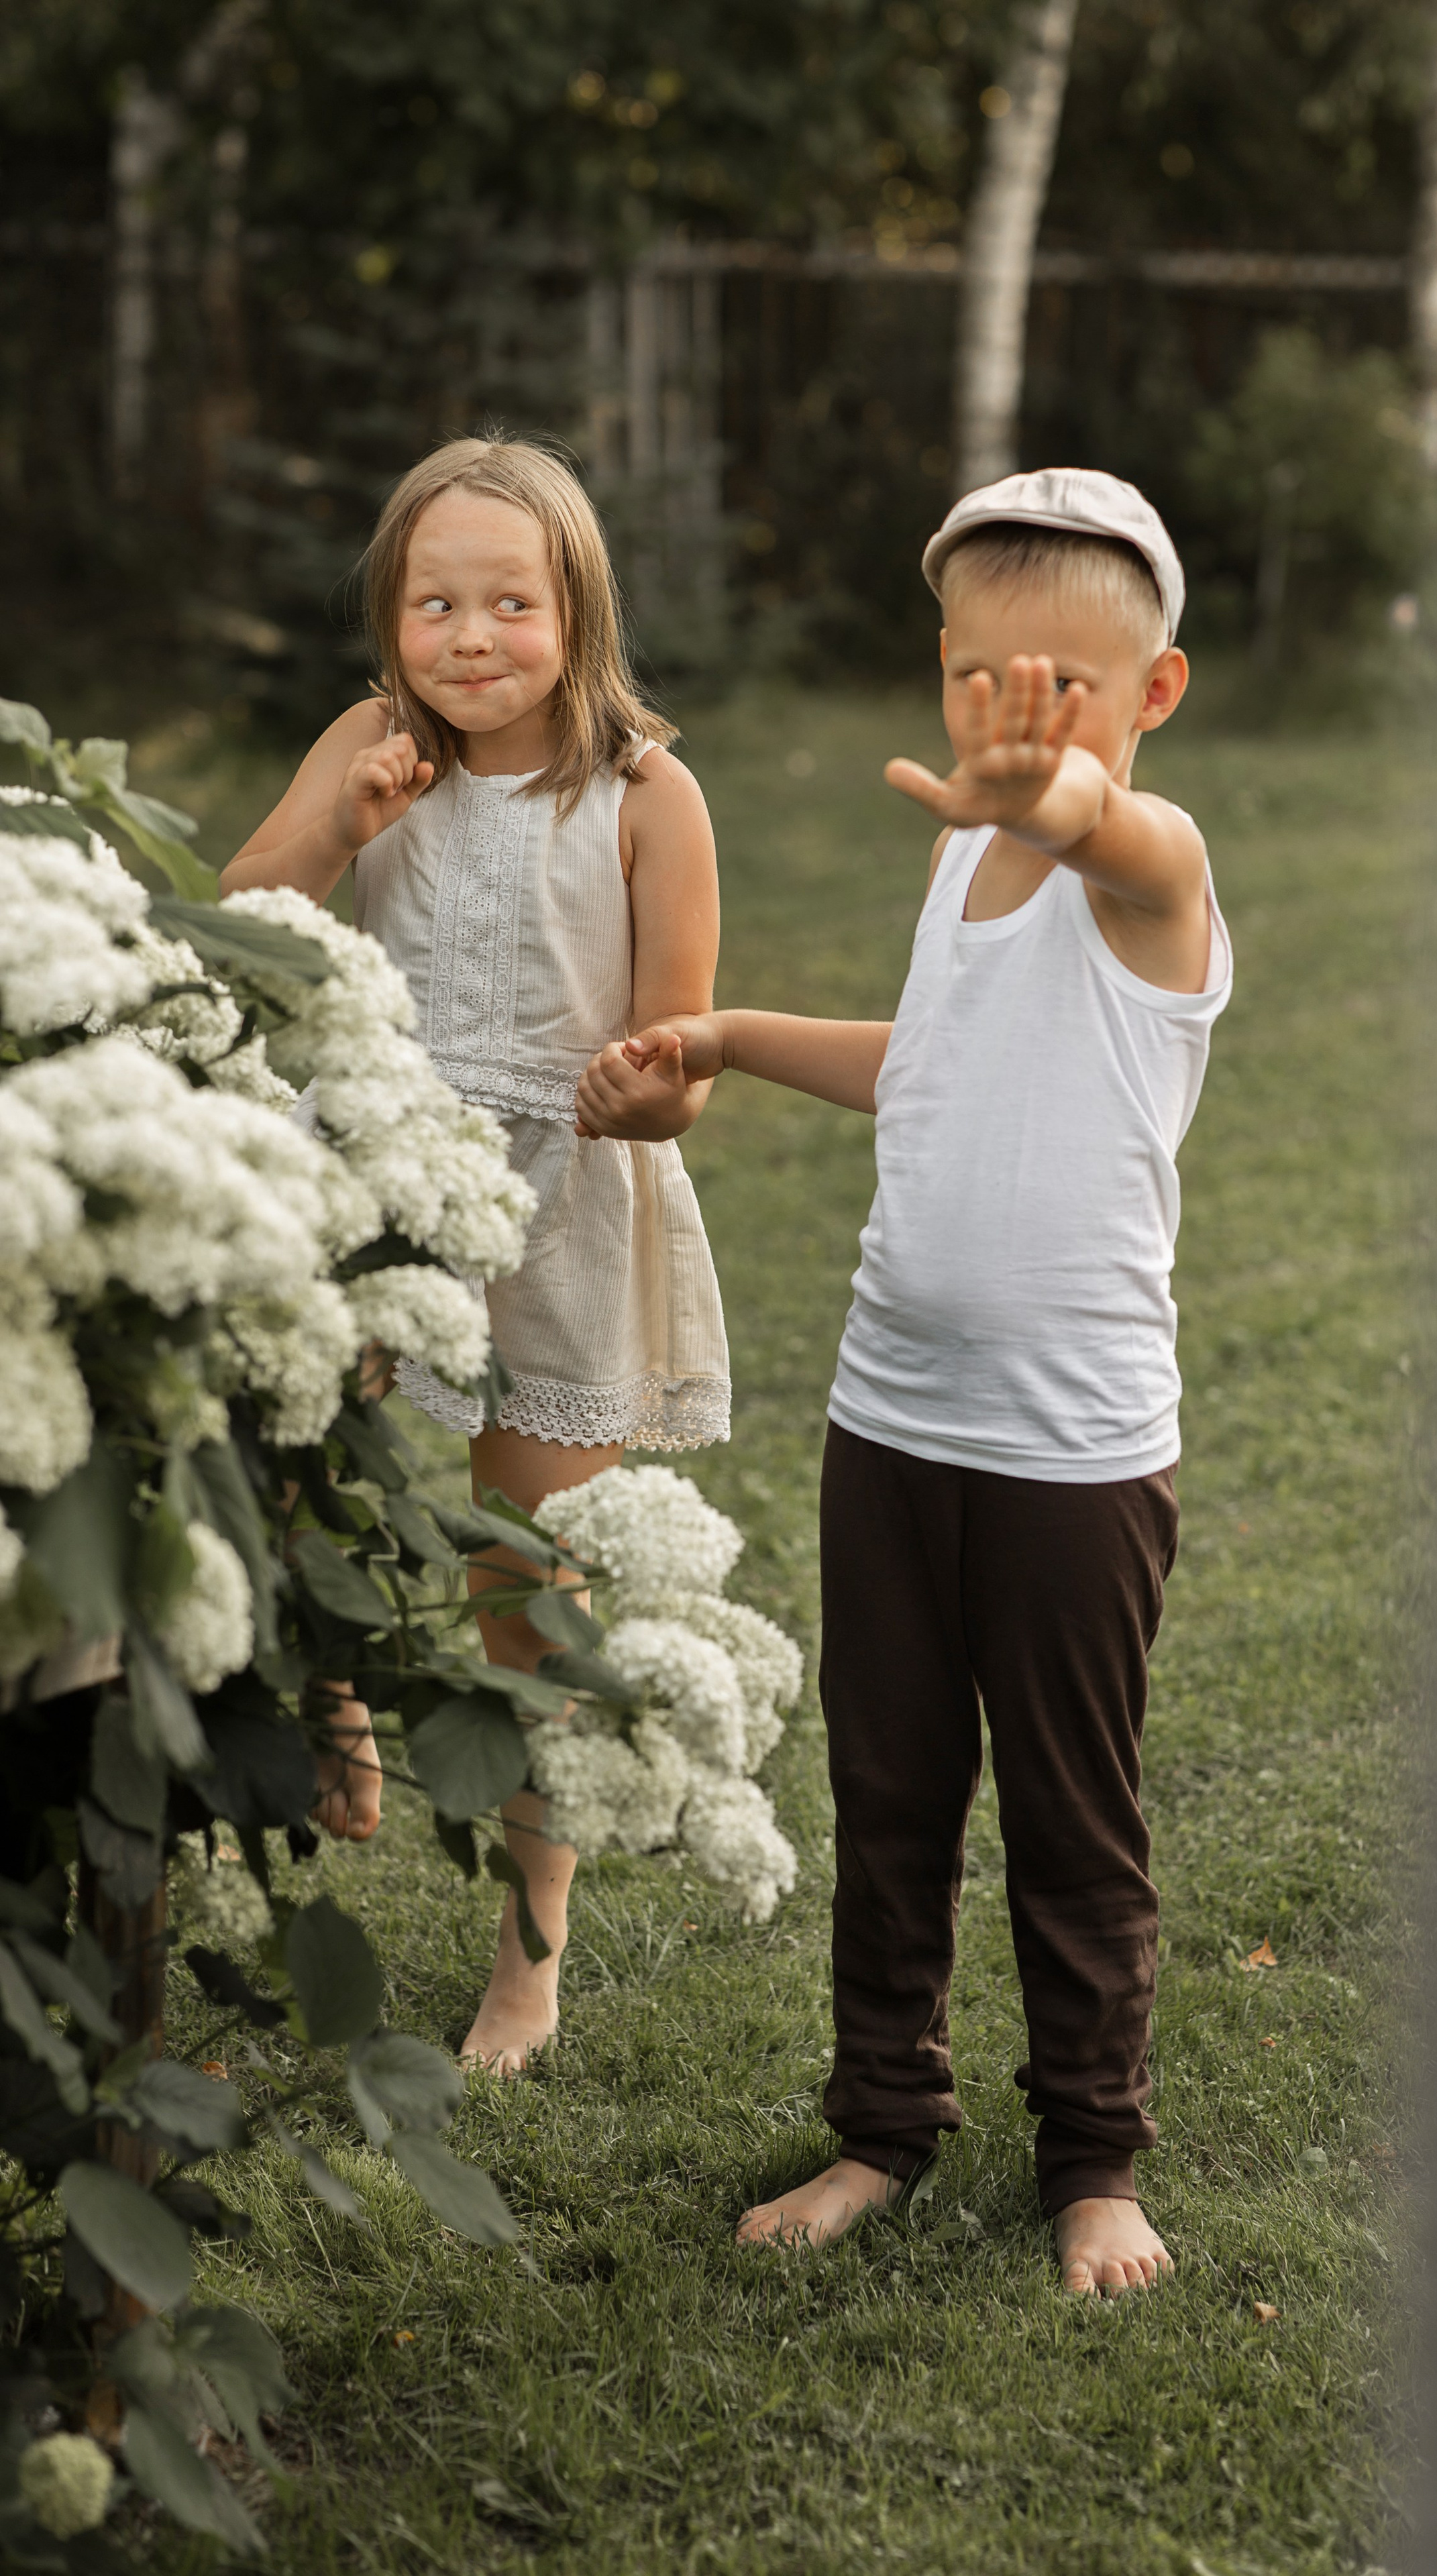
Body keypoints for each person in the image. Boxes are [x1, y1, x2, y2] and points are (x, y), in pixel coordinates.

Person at [575, 468, 1231, 2296]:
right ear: (939, 671)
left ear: (1154, 694)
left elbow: (1120, 836)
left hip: (1073, 1462)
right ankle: (883, 2124)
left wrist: (1061, 795)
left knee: (1072, 1824)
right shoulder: (956, 858)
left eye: (1062, 692)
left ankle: (1094, 2161)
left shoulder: (1156, 879)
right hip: (889, 1424)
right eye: (977, 682)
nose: (1012, 722)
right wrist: (724, 1036)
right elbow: (929, 1057)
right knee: (890, 1800)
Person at [223, 433, 730, 2073]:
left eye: (511, 602)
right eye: (433, 602)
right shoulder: (371, 743)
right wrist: (337, 825)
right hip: (374, 1172)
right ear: (390, 616)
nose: (471, 636)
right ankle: (339, 1688)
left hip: (558, 1198)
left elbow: (679, 1054)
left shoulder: (647, 795)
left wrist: (649, 1092)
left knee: (526, 1587)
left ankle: (531, 1955)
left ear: (577, 611)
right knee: (291, 1462)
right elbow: (246, 914)